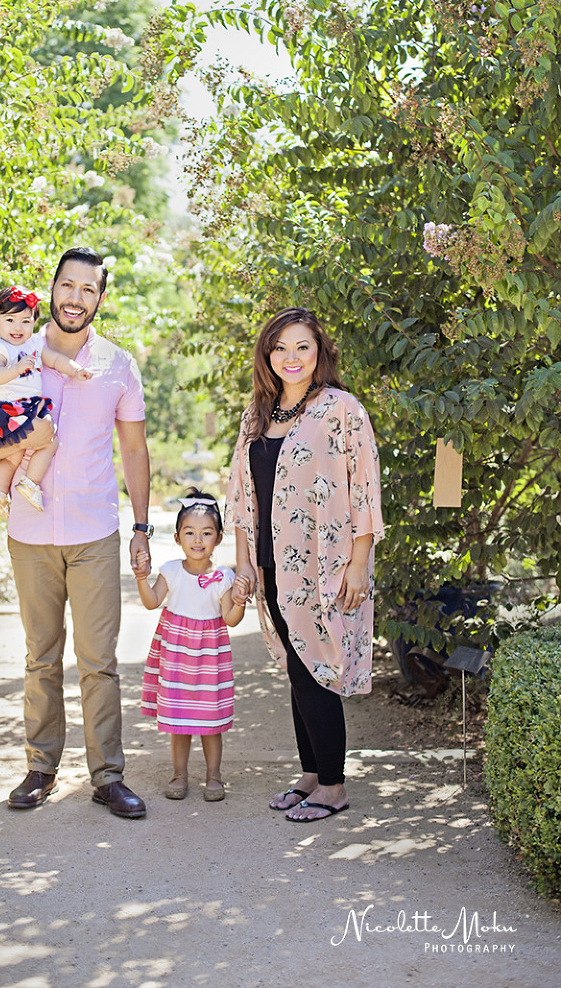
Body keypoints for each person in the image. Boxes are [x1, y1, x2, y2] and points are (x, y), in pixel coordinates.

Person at [0, 248, 151, 818]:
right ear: (52, 289)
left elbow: (135, 450)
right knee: (40, 658)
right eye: (67, 285)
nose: (75, 298)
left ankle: (108, 777)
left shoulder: (118, 365)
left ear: (100, 298)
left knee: (99, 661)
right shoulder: (15, 352)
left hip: (94, 530)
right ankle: (40, 769)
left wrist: (142, 527)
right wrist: (18, 446)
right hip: (30, 532)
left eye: (88, 289)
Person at [226, 307, 383, 822]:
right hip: (273, 566)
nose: (290, 357)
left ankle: (333, 787)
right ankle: (312, 774)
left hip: (326, 567)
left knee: (316, 671)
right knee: (298, 670)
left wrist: (358, 565)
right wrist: (245, 565)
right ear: (267, 355)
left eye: (302, 347)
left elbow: (364, 490)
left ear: (320, 353)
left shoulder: (342, 409)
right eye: (280, 348)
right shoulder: (257, 415)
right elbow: (242, 498)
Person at [134, 489, 250, 802]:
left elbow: (230, 619)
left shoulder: (224, 576)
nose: (198, 540)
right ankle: (179, 774)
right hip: (176, 657)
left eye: (206, 533)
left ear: (219, 538)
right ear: (177, 538)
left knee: (211, 722)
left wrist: (239, 601)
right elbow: (152, 601)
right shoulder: (171, 571)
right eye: (189, 532)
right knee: (179, 721)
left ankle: (214, 776)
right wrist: (142, 578)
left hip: (210, 659)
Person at [0, 285, 92, 520]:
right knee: (50, 442)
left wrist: (75, 370)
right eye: (10, 320)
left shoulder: (33, 344)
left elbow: (55, 360)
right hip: (7, 410)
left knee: (13, 456)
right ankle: (30, 482)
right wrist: (16, 368)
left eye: (25, 321)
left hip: (24, 409)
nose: (17, 327)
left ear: (34, 322)